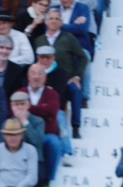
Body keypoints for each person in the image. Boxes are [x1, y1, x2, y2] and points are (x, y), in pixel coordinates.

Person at [34, 9, 87, 139]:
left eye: (57, 19)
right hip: (44, 82)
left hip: (65, 80)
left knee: (75, 90)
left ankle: (75, 127)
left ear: (61, 22)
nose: (53, 21)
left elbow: (83, 57)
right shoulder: (39, 40)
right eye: (51, 18)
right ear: (46, 21)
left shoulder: (68, 38)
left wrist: (77, 76)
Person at [21, 64, 62, 183]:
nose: (36, 77)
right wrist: (42, 109)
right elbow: (16, 112)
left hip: (46, 134)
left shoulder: (53, 94)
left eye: (40, 74)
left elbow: (52, 113)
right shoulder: (21, 92)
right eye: (33, 73)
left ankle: (48, 180)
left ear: (45, 77)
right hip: (24, 134)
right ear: (28, 76)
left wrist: (29, 109)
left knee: (54, 143)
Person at [0, 117, 38, 187]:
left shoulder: (31, 150)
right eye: (9, 135)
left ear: (22, 135)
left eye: (16, 134)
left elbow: (32, 177)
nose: (13, 138)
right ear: (4, 136)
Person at [57, 0, 93, 107]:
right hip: (59, 45)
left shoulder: (82, 8)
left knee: (85, 57)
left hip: (79, 45)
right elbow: (48, 27)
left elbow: (82, 29)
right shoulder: (54, 9)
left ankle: (84, 97)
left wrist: (61, 26)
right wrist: (73, 26)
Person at [9, 90, 45, 185]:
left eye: (22, 104)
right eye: (16, 104)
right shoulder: (8, 123)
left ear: (28, 105)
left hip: (34, 161)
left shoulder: (38, 121)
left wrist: (24, 121)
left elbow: (37, 141)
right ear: (12, 107)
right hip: (13, 161)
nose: (20, 107)